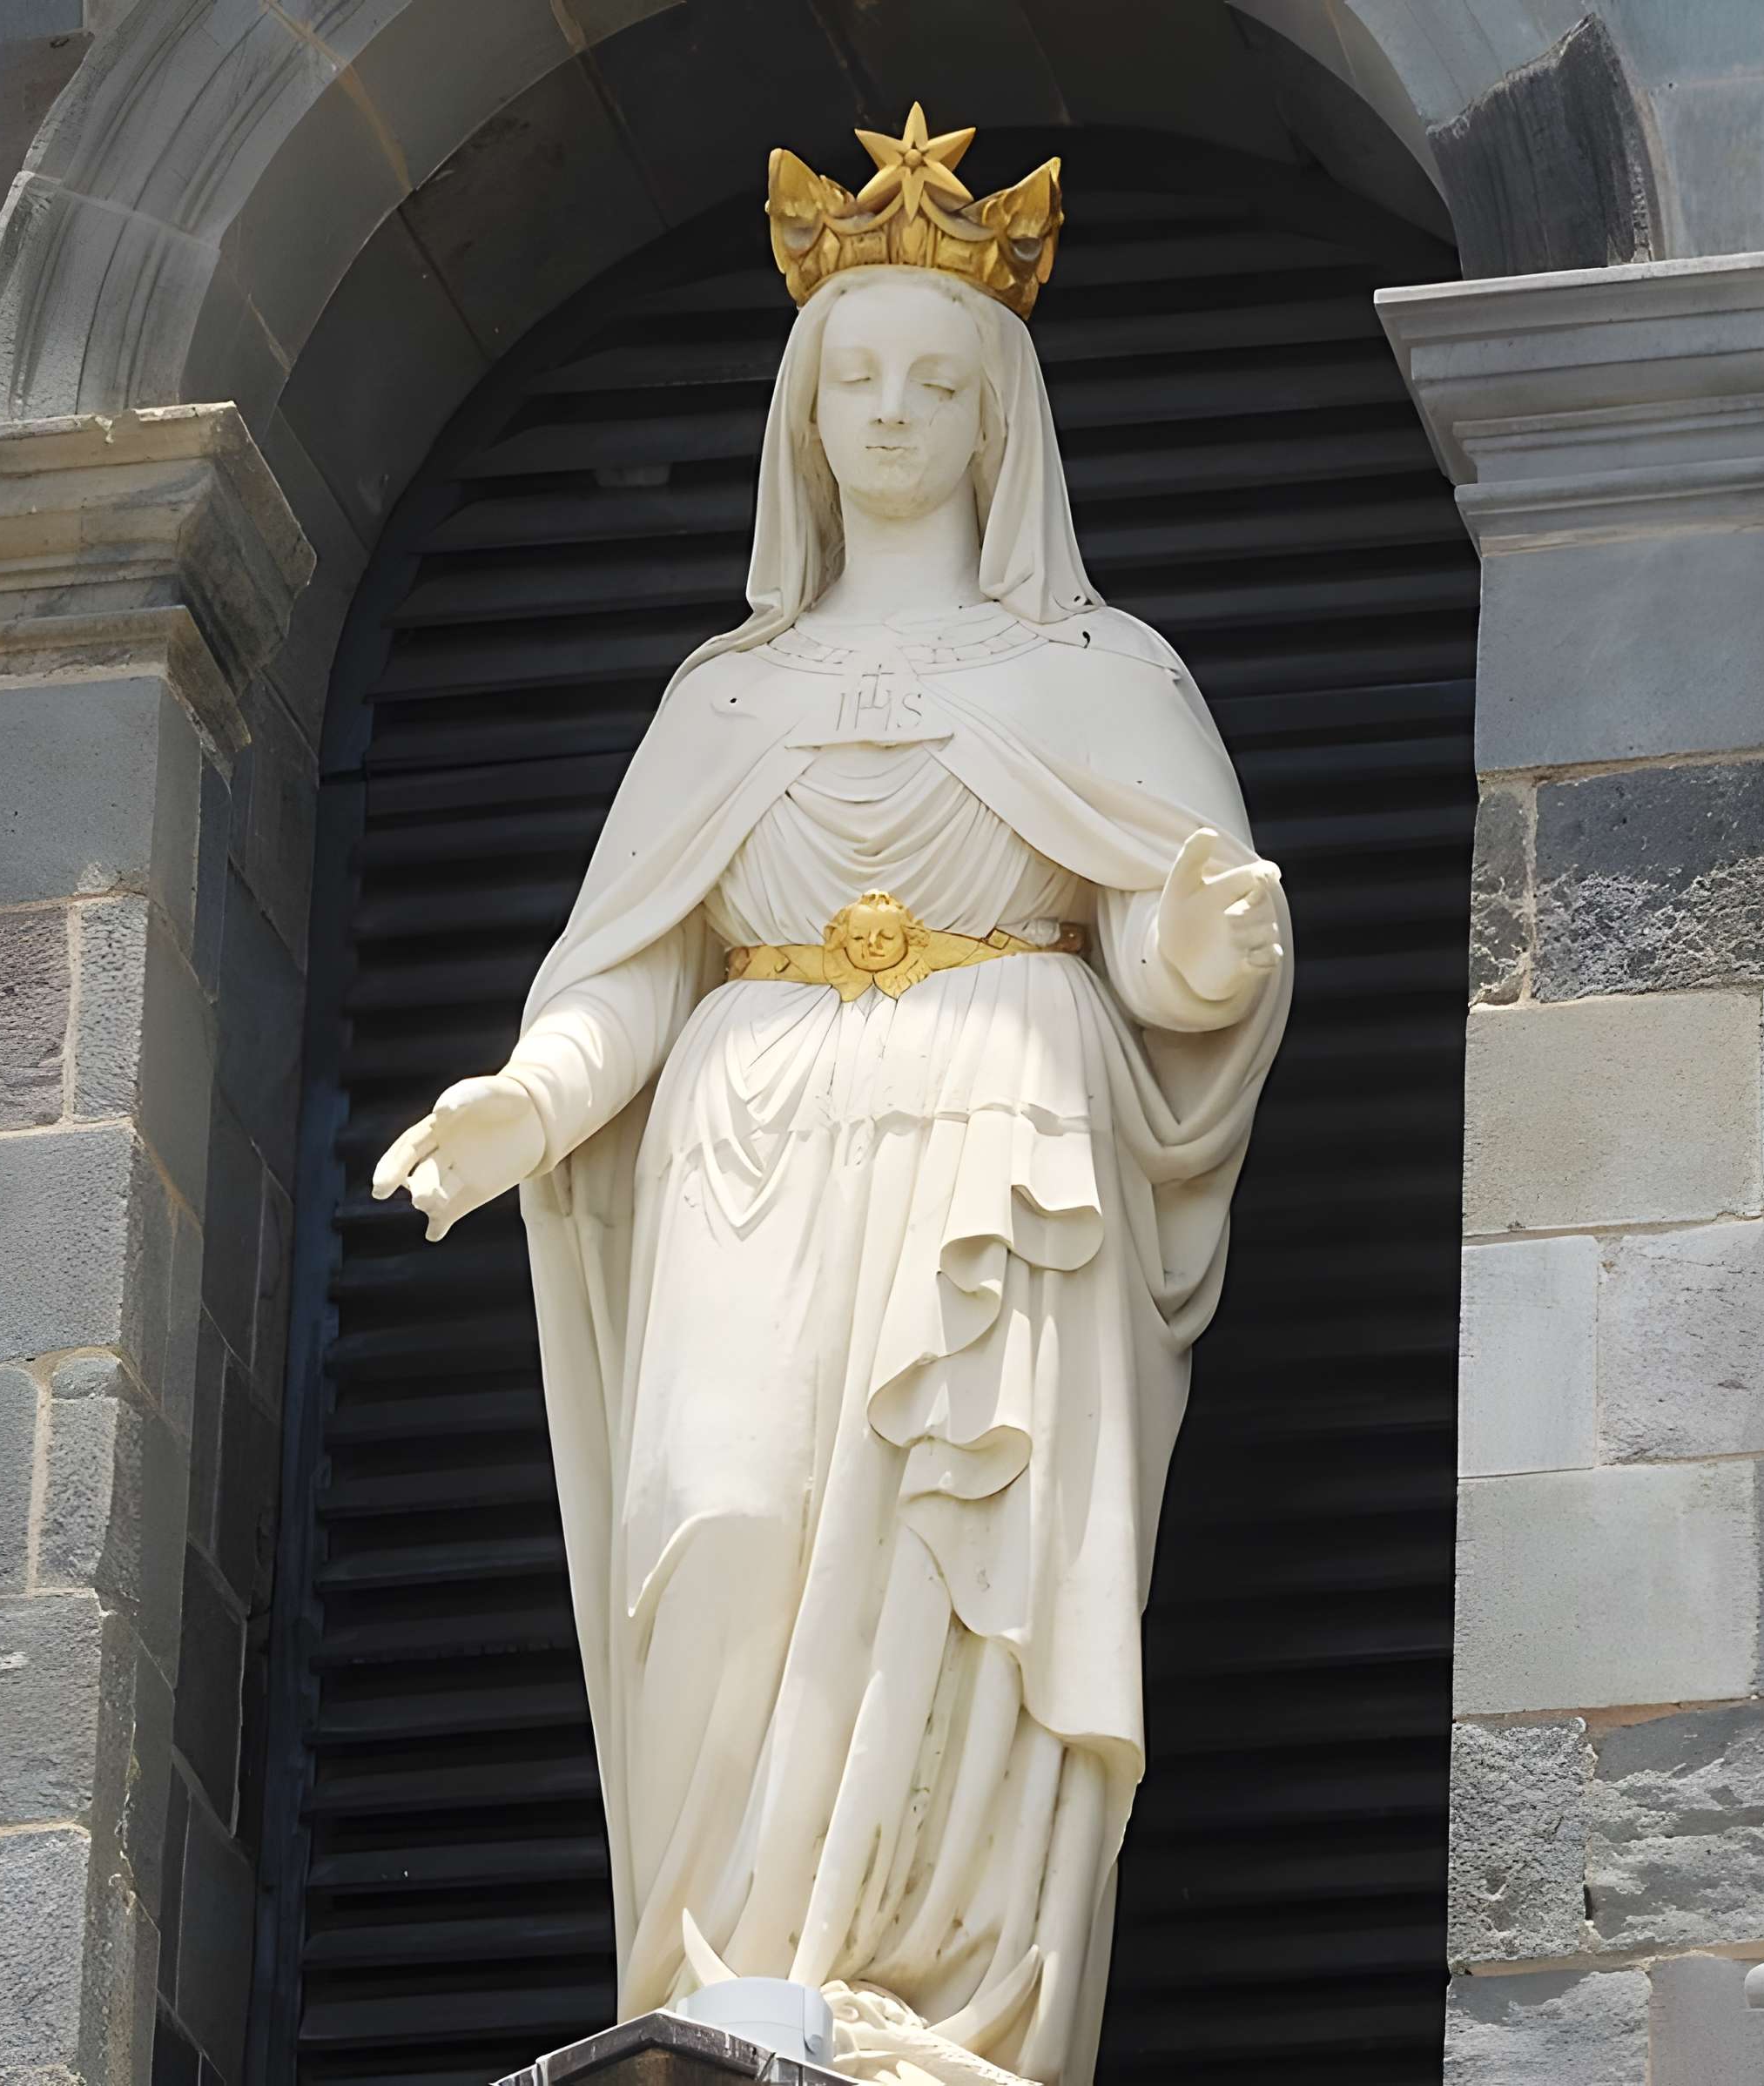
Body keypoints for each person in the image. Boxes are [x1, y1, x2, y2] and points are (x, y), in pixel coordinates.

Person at [374, 111, 1290, 2086]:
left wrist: (1205, 950)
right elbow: (627, 963)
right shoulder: (723, 697)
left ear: (995, 423)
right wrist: (526, 1101)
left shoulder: (1102, 672)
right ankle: (722, 1965)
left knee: (958, 1584)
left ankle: (935, 2005)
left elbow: (1162, 949)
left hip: (997, 1123)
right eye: (851, 377)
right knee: (717, 1514)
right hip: (749, 1131)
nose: (887, 412)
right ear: (799, 418)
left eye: (931, 382)